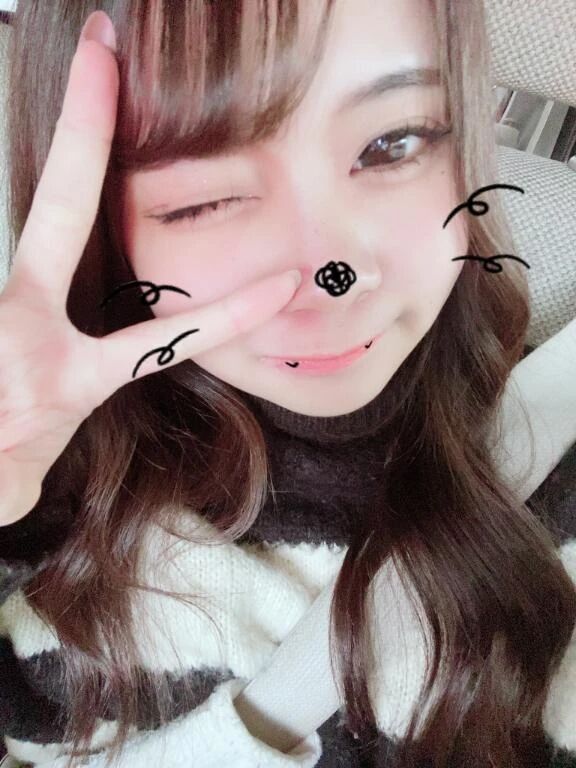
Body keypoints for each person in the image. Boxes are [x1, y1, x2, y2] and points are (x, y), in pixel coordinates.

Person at [0, 1, 575, 767]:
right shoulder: (40, 487)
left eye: (393, 144)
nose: (336, 278)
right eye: (202, 198)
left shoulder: (553, 462)